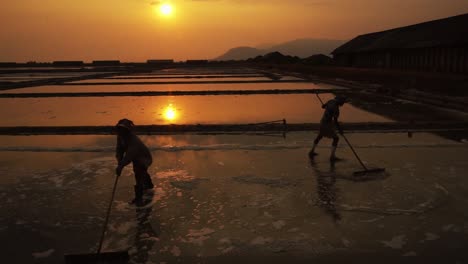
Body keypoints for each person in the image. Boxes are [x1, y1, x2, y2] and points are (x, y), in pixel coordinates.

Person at [115, 118, 154, 206]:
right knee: (141, 172)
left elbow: (129, 156)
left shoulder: (133, 141)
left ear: (127, 130)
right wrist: (119, 159)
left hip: (144, 158)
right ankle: (149, 185)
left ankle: (138, 198)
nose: (121, 131)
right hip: (136, 157)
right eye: (119, 129)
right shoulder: (120, 136)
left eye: (123, 129)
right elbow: (119, 149)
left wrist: (121, 166)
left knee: (139, 173)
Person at [309, 95, 346, 161]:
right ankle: (332, 156)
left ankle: (311, 151)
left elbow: (323, 106)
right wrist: (340, 130)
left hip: (322, 121)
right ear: (340, 101)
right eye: (342, 102)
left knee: (320, 136)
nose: (343, 103)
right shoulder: (336, 109)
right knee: (336, 138)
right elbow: (335, 121)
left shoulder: (330, 101)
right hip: (327, 124)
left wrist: (324, 106)